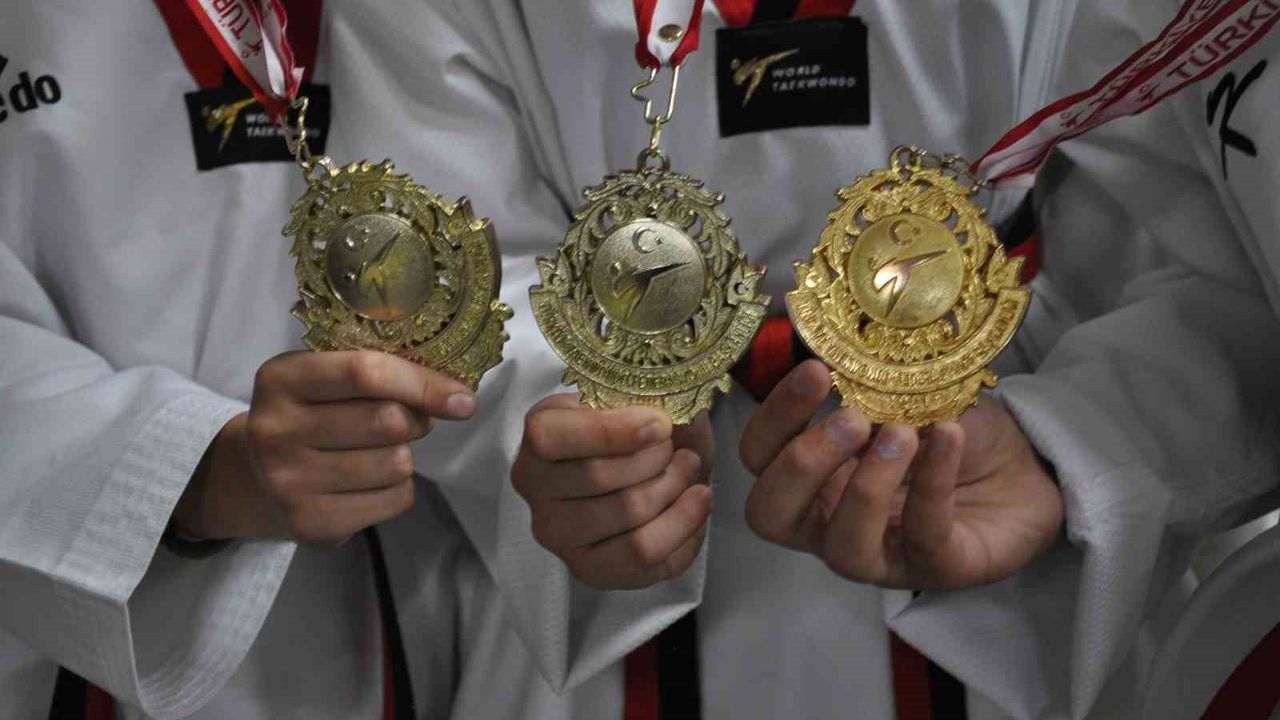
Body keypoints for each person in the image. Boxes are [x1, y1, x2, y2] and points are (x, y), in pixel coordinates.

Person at [512, 0, 1280, 718]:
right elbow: (489, 249)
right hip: (622, 518)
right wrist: (567, 441)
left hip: (996, 459)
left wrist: (1074, 443)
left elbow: (1226, 237)